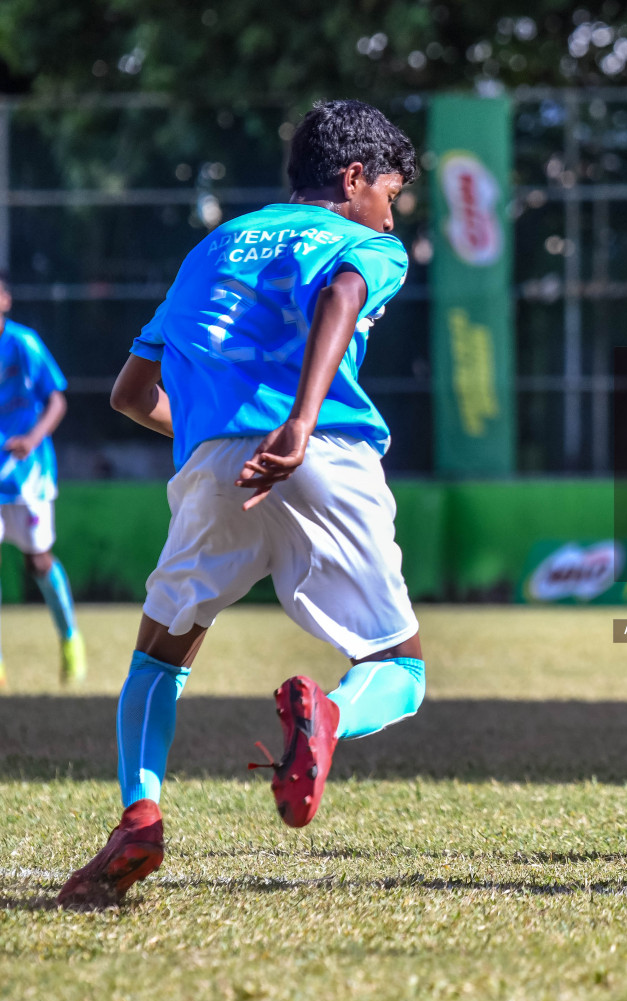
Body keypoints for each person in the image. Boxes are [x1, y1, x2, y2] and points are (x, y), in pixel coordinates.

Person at [58, 99, 426, 908]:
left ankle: (139, 816)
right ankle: (326, 717)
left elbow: (130, 393)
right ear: (356, 177)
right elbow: (345, 293)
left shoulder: (212, 247)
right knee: (399, 669)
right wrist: (294, 425)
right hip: (321, 448)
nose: (391, 212)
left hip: (215, 463)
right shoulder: (365, 241)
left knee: (159, 656)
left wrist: (216, 446)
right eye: (392, 193)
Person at [0, 263, 84, 687]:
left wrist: (31, 438)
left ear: (4, 300)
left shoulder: (24, 343)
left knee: (37, 562)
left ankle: (70, 639)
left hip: (29, 476)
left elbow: (56, 400)